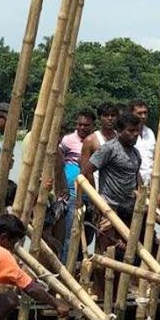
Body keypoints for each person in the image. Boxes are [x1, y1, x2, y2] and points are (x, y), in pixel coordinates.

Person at [81, 112, 143, 255]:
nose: (135, 134)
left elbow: (136, 176)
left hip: (128, 210)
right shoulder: (109, 149)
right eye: (130, 131)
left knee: (126, 251)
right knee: (107, 251)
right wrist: (97, 201)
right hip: (109, 207)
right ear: (120, 131)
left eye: (137, 131)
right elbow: (87, 171)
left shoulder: (135, 153)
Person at [58, 109, 95, 261]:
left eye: (86, 125)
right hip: (72, 191)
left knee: (88, 232)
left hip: (91, 191)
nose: (82, 128)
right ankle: (67, 265)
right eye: (79, 124)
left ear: (92, 126)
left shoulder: (94, 140)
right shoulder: (67, 140)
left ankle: (79, 262)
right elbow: (57, 160)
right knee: (70, 231)